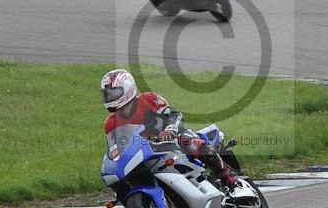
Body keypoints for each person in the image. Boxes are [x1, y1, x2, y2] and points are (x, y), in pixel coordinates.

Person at [100, 69, 237, 187]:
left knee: (194, 144)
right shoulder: (110, 124)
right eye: (107, 94)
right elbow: (116, 148)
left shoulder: (148, 99)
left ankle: (228, 177)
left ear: (128, 87)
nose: (110, 97)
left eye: (114, 93)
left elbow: (174, 114)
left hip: (173, 138)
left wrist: (170, 130)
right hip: (146, 152)